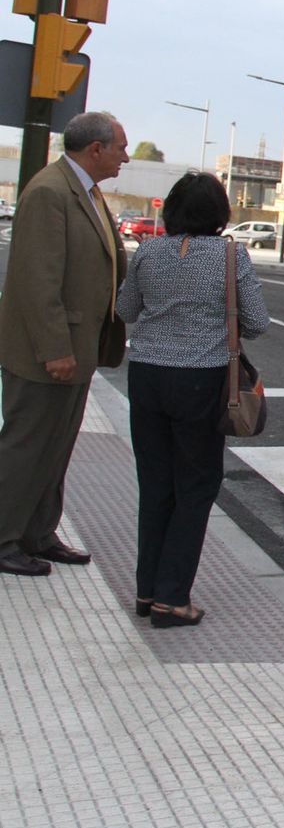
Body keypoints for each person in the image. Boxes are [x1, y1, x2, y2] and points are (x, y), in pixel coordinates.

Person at [117, 173, 268, 626]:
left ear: (172, 211)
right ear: (220, 214)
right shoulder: (230, 254)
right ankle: (172, 598)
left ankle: (147, 592)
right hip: (201, 381)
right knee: (196, 487)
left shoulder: (148, 250)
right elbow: (257, 321)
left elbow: (125, 311)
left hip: (146, 376)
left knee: (156, 484)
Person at [0, 112, 129, 578]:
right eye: (119, 147)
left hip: (81, 347)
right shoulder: (50, 193)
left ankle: (37, 533)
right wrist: (55, 347)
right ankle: (3, 537)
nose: (125, 156)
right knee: (27, 444)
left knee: (56, 446)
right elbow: (38, 280)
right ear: (95, 150)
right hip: (48, 352)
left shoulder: (85, 193)